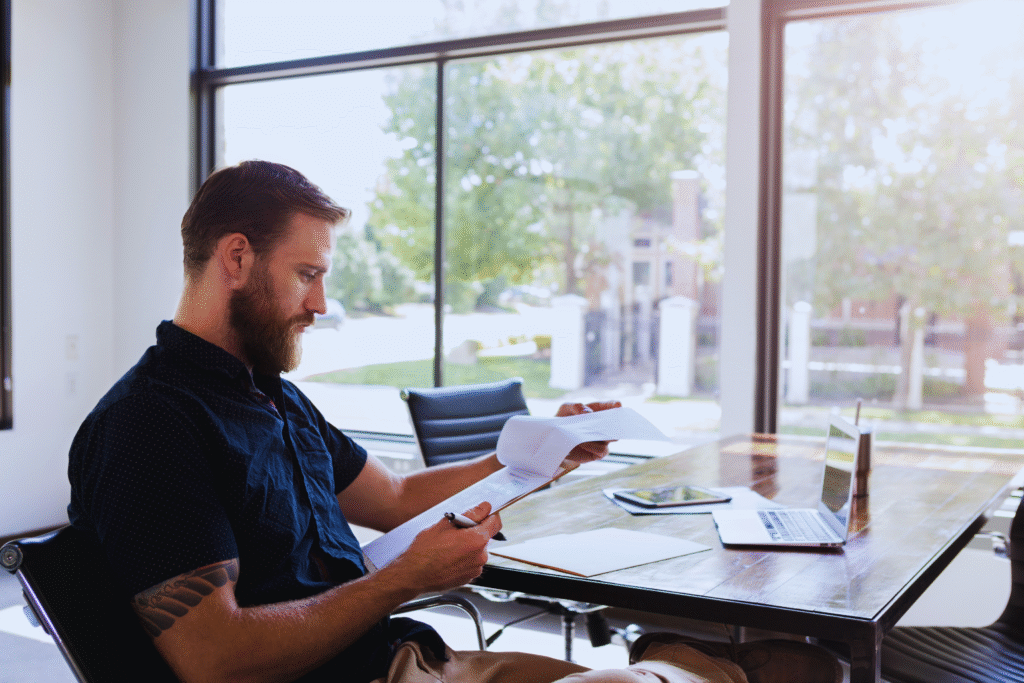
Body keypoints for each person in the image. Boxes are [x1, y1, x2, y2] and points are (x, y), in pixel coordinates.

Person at [67, 160, 841, 683]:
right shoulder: (148, 425)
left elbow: (398, 496)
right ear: (235, 258)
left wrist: (548, 455)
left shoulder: (270, 395)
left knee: (791, 662)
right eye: (307, 274)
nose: (321, 303)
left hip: (410, 660)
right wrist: (403, 578)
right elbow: (214, 656)